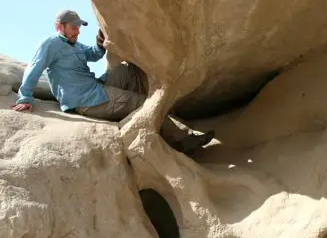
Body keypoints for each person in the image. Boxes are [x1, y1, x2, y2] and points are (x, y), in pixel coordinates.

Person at [11, 10, 214, 154]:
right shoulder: (51, 44)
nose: (77, 31)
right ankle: (180, 140)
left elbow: (92, 55)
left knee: (130, 70)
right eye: (73, 27)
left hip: (96, 86)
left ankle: (166, 121)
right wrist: (25, 97)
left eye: (79, 27)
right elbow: (34, 67)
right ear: (59, 27)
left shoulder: (73, 44)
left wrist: (100, 45)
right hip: (85, 100)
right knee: (142, 103)